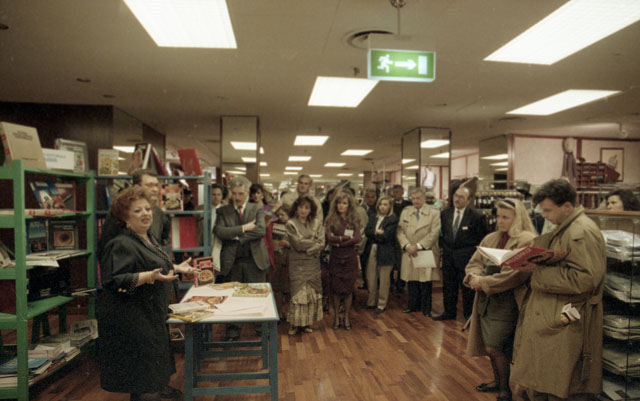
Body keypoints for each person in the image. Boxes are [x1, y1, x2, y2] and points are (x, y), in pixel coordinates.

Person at [98, 186, 197, 401]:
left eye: (147, 209)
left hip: (150, 316)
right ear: (125, 218)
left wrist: (176, 267)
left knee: (149, 377)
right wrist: (148, 277)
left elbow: (151, 263)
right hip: (133, 320)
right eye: (137, 211)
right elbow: (114, 281)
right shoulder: (121, 243)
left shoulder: (146, 237)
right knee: (146, 379)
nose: (145, 214)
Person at [511, 179, 606, 401]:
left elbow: (586, 279)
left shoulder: (580, 232)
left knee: (563, 387)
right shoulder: (567, 228)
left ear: (567, 207)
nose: (544, 215)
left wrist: (537, 271)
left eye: (548, 210)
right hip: (554, 318)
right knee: (546, 383)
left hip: (566, 322)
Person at [464, 199, 537, 401]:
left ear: (518, 217)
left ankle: (505, 388)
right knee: (491, 346)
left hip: (508, 302)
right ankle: (498, 382)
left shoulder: (527, 240)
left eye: (506, 217)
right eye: (498, 216)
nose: (500, 221)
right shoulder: (491, 237)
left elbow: (516, 275)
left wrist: (483, 281)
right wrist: (473, 277)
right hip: (486, 301)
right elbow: (474, 263)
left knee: (494, 346)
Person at [213, 176, 270, 341]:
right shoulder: (223, 211)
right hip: (233, 261)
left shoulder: (256, 209)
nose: (237, 197)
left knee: (257, 296)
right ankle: (233, 331)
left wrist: (237, 237)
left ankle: (260, 328)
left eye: (241, 193)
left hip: (254, 260)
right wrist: (244, 228)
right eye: (234, 193)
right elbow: (220, 231)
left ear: (247, 193)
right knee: (233, 297)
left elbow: (260, 230)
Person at [436, 185, 488, 321]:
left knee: (467, 289)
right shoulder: (445, 214)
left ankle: (469, 316)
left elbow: (482, 239)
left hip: (467, 259)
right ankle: (449, 312)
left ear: (468, 200)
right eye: (455, 196)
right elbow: (442, 234)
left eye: (461, 197)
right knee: (448, 286)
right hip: (448, 257)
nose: (457, 199)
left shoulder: (477, 216)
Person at [96, 169, 170, 261]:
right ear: (136, 187)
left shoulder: (159, 213)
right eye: (149, 185)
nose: (155, 189)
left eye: (156, 185)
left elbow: (162, 240)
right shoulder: (121, 211)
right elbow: (106, 245)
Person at [397, 187, 441, 317]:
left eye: (418, 198)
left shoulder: (434, 212)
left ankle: (426, 308)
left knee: (426, 281)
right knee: (411, 280)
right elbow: (400, 231)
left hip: (425, 250)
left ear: (424, 198)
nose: (415, 201)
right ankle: (412, 306)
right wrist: (406, 245)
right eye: (413, 198)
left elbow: (434, 233)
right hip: (409, 250)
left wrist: (418, 246)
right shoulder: (406, 211)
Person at [285, 196, 325, 335]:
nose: (303, 210)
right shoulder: (290, 223)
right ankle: (294, 324)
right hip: (298, 264)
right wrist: (312, 243)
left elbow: (322, 243)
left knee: (311, 294)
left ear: (311, 210)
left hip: (313, 264)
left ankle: (307, 323)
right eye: (301, 207)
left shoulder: (317, 222)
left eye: (307, 208)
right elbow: (297, 244)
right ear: (296, 208)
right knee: (297, 294)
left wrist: (307, 247)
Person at [325, 191, 361, 330]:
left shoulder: (355, 219)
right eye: (339, 203)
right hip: (335, 257)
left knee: (348, 289)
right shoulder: (330, 219)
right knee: (335, 289)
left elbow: (356, 239)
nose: (341, 205)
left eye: (344, 203)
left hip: (350, 258)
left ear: (349, 205)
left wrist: (338, 241)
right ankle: (336, 317)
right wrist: (346, 239)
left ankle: (346, 317)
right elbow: (329, 238)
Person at [364, 195, 398, 313]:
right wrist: (376, 232)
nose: (382, 207)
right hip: (372, 250)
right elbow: (367, 231)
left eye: (385, 204)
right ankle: (371, 301)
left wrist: (374, 234)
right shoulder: (373, 216)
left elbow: (386, 236)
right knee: (371, 277)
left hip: (385, 251)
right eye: (380, 204)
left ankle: (381, 304)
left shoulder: (393, 219)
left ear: (390, 206)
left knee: (384, 280)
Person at [265, 204, 291, 319]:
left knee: (288, 287)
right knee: (276, 287)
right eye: (278, 215)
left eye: (283, 215)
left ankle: (289, 312)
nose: (280, 217)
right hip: (276, 259)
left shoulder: (293, 226)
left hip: (289, 259)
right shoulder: (273, 224)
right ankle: (278, 312)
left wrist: (288, 244)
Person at [391, 184, 411, 293]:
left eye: (397, 192)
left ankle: (401, 284)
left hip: (404, 235)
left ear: (402, 193)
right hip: (391, 236)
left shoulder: (408, 205)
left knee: (402, 261)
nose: (395, 194)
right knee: (391, 261)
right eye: (394, 192)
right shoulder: (390, 204)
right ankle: (390, 283)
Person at [360, 186, 378, 289]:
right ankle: (365, 282)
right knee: (363, 262)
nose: (370, 199)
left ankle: (375, 283)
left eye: (373, 197)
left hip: (374, 240)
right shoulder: (360, 209)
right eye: (368, 197)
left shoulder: (379, 209)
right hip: (362, 240)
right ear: (365, 198)